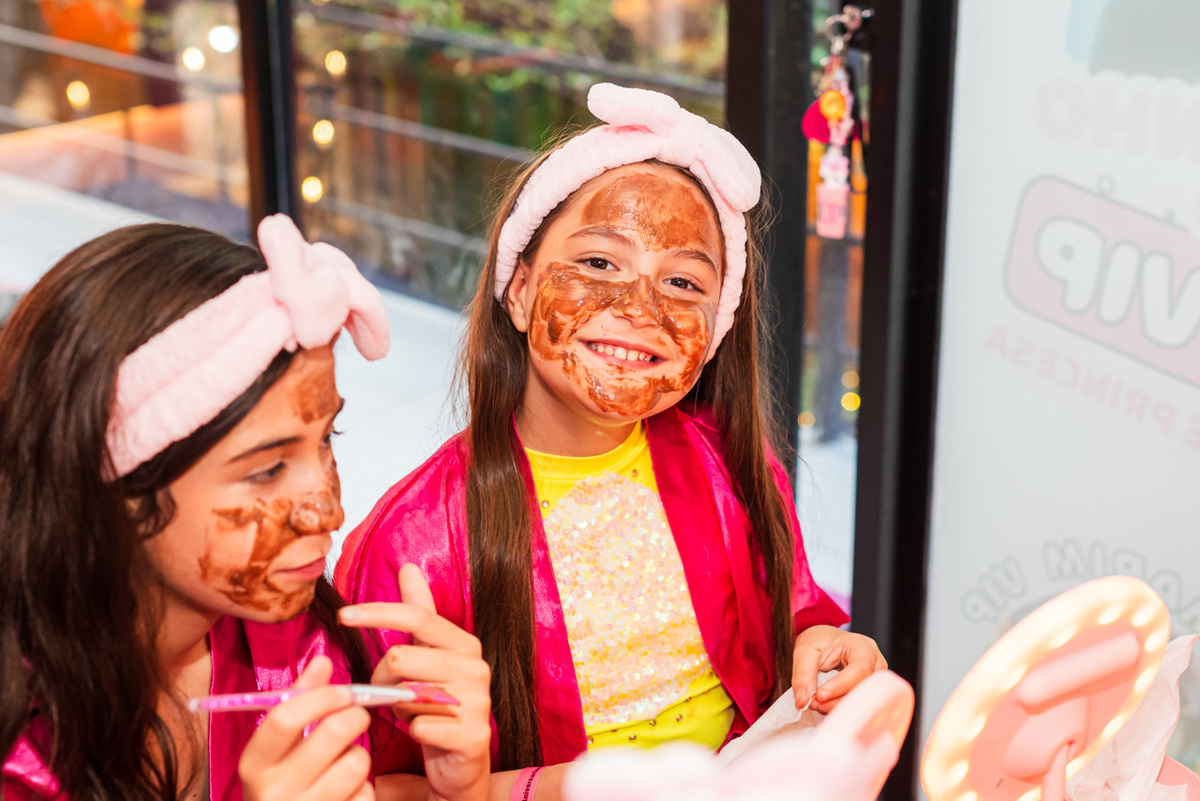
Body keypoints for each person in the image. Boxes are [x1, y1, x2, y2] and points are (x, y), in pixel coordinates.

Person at [335, 83, 886, 798]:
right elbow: (374, 780)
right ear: (521, 288)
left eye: (684, 281)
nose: (639, 308)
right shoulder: (413, 544)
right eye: (599, 262)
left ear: (716, 329)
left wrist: (823, 647)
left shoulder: (733, 466)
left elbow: (795, 615)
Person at [0, 217, 491, 801]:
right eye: (264, 468)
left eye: (327, 438)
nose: (329, 513)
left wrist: (456, 789)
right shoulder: (22, 750)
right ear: (113, 490)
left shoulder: (297, 652)